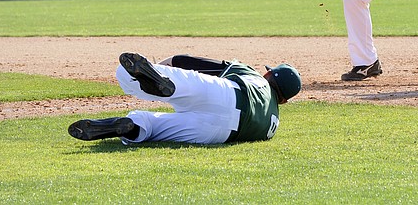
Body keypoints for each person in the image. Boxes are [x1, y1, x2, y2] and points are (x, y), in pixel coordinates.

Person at [68, 52, 301, 144]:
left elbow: (186, 60)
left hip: (226, 93)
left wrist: (162, 66)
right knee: (155, 126)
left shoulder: (253, 75)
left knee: (125, 75)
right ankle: (131, 127)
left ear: (269, 74)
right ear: (283, 101)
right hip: (219, 133)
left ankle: (160, 82)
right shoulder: (273, 124)